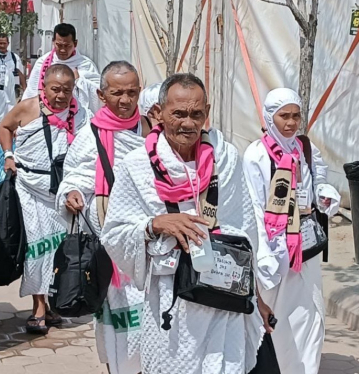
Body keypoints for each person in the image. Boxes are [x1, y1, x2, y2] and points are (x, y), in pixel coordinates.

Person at [99, 73, 270, 374]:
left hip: (224, 298)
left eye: (196, 114)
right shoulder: (136, 166)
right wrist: (155, 225)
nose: (188, 123)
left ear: (207, 112)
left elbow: (247, 233)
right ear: (159, 113)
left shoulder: (227, 159)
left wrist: (257, 296)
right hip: (170, 303)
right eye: (178, 113)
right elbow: (113, 233)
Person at [56, 61, 150, 374]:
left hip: (152, 244)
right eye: (117, 93)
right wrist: (71, 194)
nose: (125, 100)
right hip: (111, 246)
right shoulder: (89, 136)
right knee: (119, 321)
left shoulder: (152, 131)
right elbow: (74, 177)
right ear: (101, 94)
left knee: (153, 321)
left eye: (132, 92)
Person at [242, 88, 341, 374]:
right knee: (276, 315)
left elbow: (317, 178)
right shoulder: (256, 155)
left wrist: (324, 194)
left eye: (296, 116)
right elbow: (255, 208)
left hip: (305, 245)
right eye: (283, 116)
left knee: (309, 313)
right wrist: (265, 252)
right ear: (270, 118)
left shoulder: (304, 148)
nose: (290, 122)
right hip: (274, 247)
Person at [0, 64, 90, 334]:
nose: (61, 95)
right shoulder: (28, 108)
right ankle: (38, 306)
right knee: (36, 247)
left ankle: (52, 302)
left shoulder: (81, 114)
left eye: (67, 90)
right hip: (29, 187)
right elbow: (5, 127)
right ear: (44, 86)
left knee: (59, 250)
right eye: (55, 89)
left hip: (63, 192)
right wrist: (8, 156)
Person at [23, 23, 101, 113]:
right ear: (53, 42)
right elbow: (31, 92)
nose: (63, 50)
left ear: (75, 43)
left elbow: (98, 94)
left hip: (77, 116)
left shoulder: (86, 64)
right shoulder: (42, 63)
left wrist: (80, 81)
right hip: (46, 114)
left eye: (67, 46)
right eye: (59, 45)